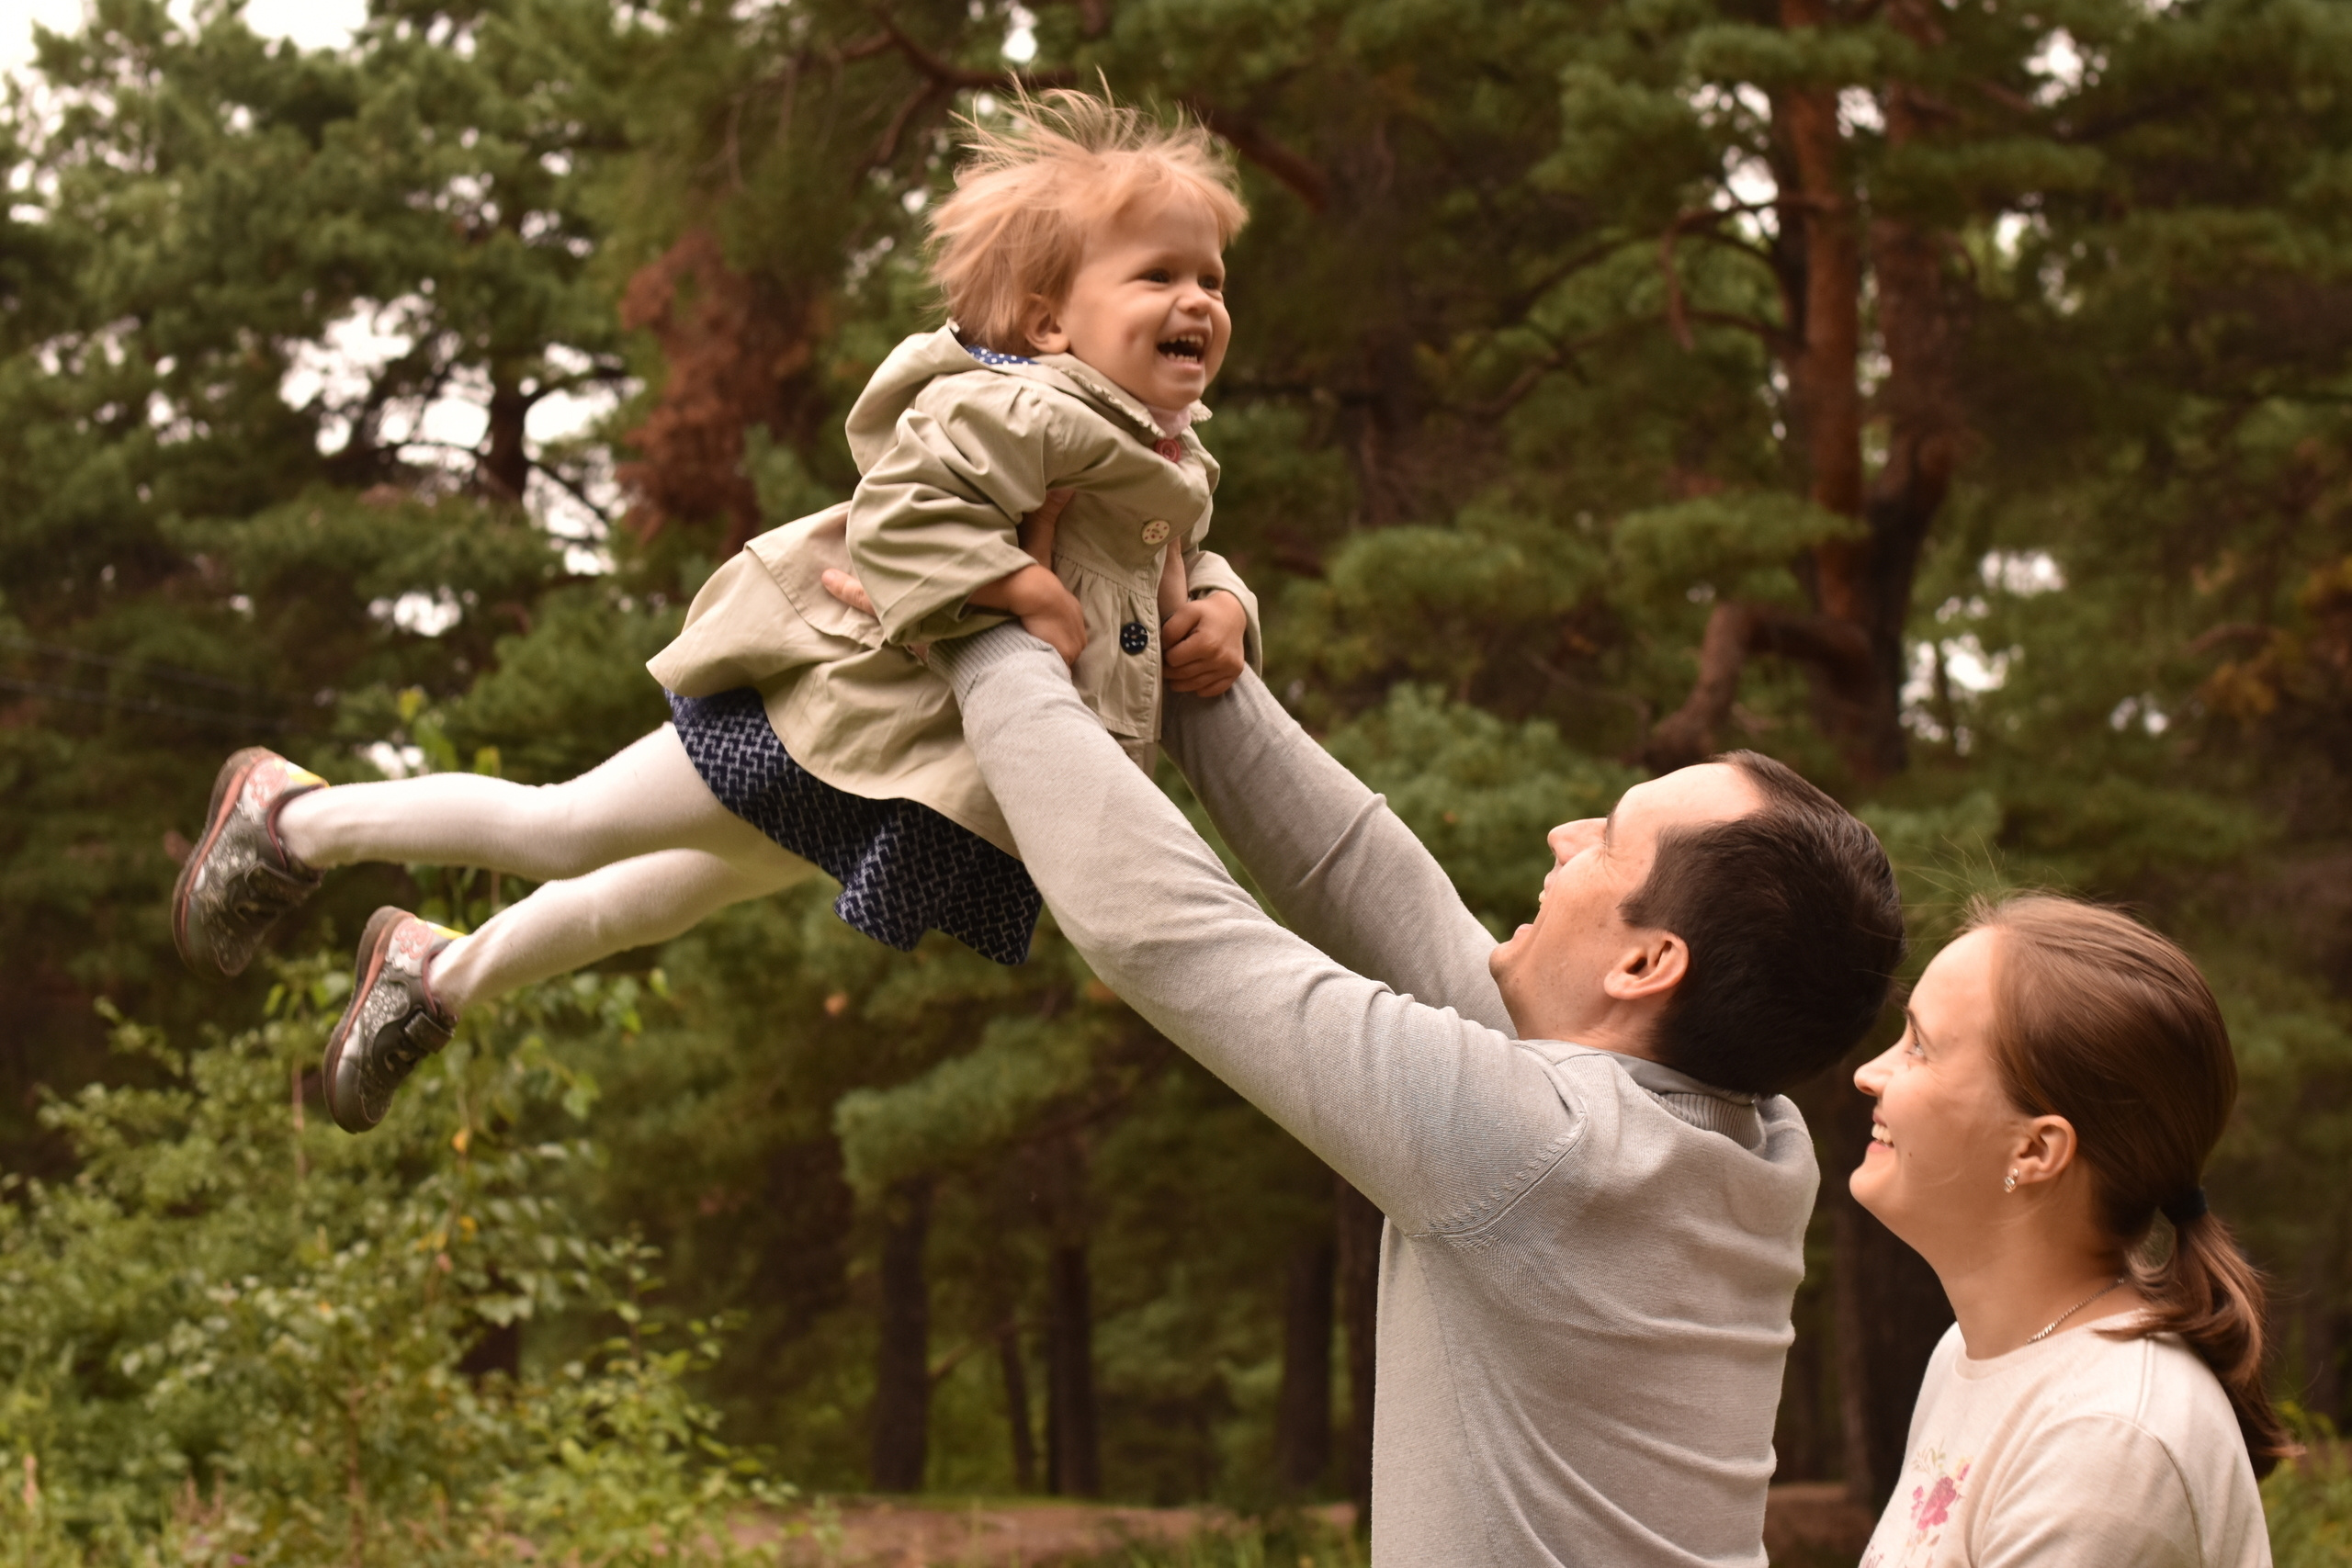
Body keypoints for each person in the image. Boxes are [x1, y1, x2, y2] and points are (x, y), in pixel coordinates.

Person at [168, 90, 1261, 1135]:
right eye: (1157, 274)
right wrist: (1022, 588)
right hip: (839, 711)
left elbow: (1177, 558)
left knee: (659, 904)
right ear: (1049, 319)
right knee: (568, 828)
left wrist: (1221, 604)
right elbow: (901, 518)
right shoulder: (1019, 406)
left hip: (908, 763)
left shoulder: (1165, 451)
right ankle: (291, 819)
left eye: (1211, 278)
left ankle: (436, 973)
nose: (1198, 301)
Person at [905, 620, 1906, 1565]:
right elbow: (1369, 883)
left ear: (1646, 963)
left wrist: (986, 637)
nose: (1563, 836)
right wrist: (1188, 673)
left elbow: (1165, 934)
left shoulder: (1538, 1148)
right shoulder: (1757, 1139)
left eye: (1606, 839)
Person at [1850, 895, 2289, 1567]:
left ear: (2034, 1151)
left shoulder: (2107, 1439)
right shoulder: (1971, 1355)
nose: (1868, 1073)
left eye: (1920, 1047)